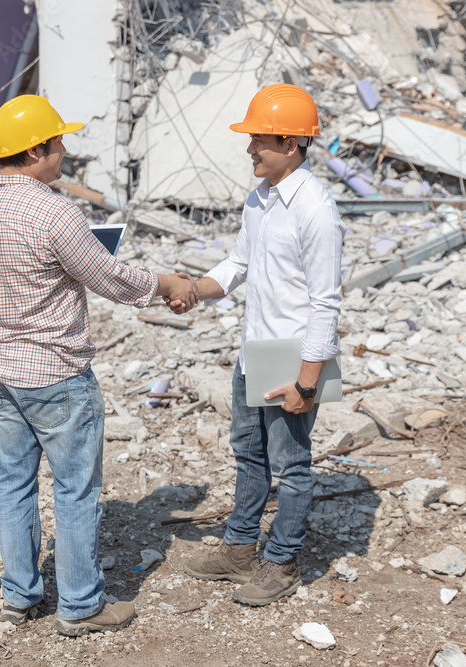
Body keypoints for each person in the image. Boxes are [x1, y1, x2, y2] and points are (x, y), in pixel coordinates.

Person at [0, 94, 198, 636]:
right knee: (75, 490)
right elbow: (110, 279)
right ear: (36, 149)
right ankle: (81, 606)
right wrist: (168, 284)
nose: (64, 149)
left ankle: (19, 595)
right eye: (59, 140)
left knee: (12, 483)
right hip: (55, 374)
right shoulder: (53, 209)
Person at [172, 84, 347, 606]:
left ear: (291, 143)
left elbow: (326, 303)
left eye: (259, 141)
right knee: (249, 455)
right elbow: (239, 264)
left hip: (292, 360)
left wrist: (307, 383)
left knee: (292, 466)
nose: (250, 150)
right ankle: (240, 549)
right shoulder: (261, 197)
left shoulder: (316, 210)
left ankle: (283, 560)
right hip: (255, 353)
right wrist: (196, 291)